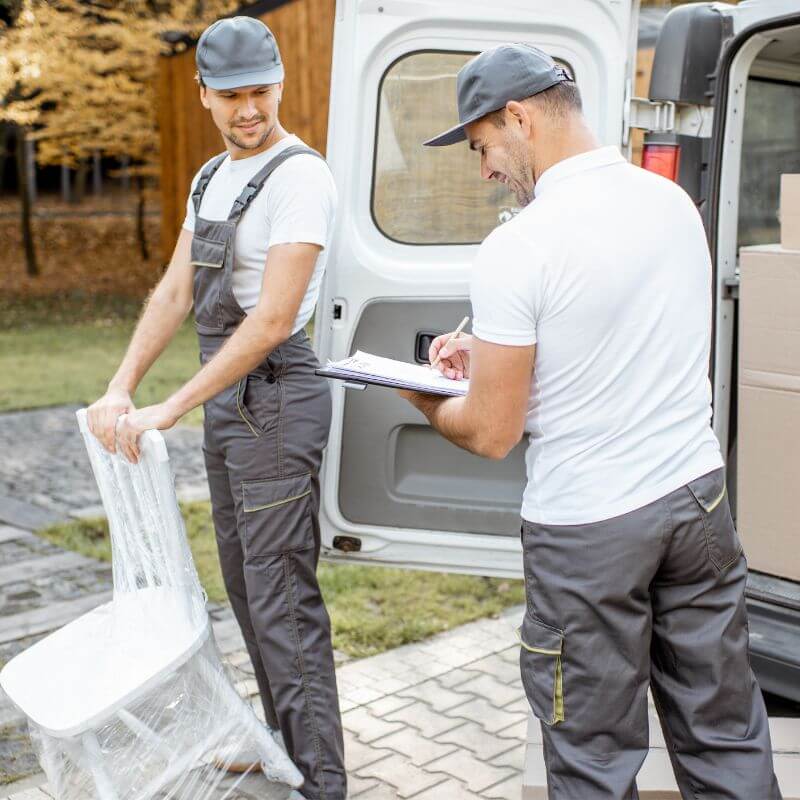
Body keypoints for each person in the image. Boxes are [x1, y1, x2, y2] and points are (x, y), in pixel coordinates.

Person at [401, 43, 781, 799]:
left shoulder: (520, 245)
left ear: (518, 118)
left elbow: (492, 432)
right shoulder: (670, 203)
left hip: (589, 533)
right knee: (724, 736)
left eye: (481, 146)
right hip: (696, 501)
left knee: (592, 762)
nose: (484, 170)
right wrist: (490, 344)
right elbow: (619, 321)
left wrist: (423, 397)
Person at [87, 16, 345, 800]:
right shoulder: (210, 178)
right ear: (203, 94)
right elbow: (175, 292)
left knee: (281, 598)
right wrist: (122, 383)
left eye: (261, 92)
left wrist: (171, 406)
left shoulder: (302, 178)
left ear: (279, 86)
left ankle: (322, 784)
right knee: (244, 585)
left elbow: (272, 320)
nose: (249, 110)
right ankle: (281, 748)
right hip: (230, 406)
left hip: (277, 401)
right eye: (232, 96)